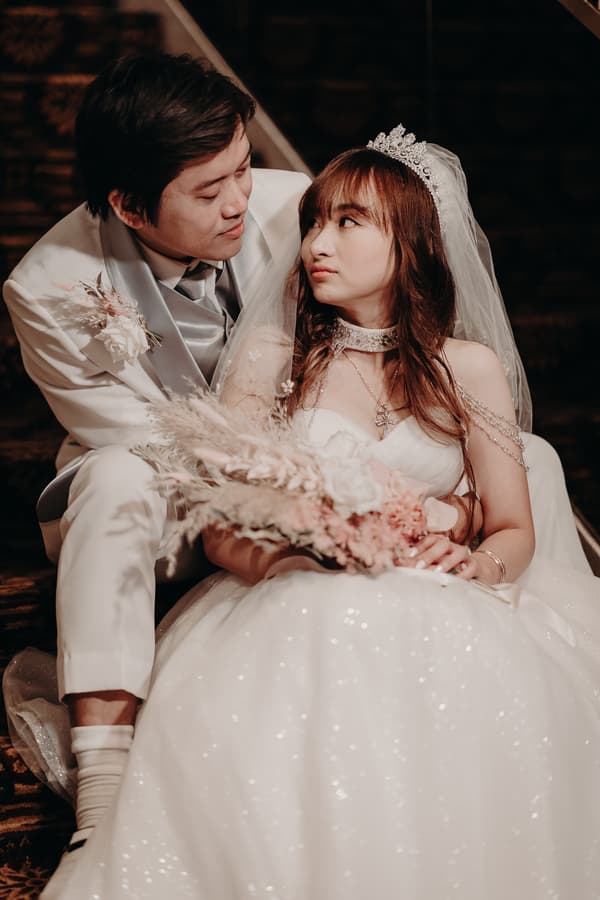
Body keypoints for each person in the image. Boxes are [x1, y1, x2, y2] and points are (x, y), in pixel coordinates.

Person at [20, 124, 599, 899]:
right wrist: (292, 558)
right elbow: (221, 519)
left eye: (347, 223)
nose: (316, 241)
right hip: (293, 587)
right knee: (326, 631)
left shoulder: (470, 369)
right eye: (314, 222)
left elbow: (514, 525)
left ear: (415, 240)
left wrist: (479, 559)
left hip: (445, 592)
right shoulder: (275, 357)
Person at [2, 49, 310, 864]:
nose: (240, 200)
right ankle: (102, 788)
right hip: (154, 491)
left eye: (245, 168)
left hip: (299, 462)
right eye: (210, 192)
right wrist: (248, 493)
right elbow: (136, 436)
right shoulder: (48, 284)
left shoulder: (302, 210)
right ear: (129, 207)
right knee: (111, 477)